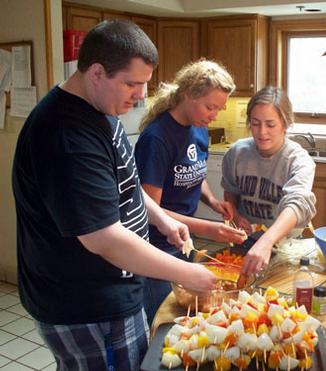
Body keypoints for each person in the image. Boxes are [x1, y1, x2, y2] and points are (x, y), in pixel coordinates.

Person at [12, 20, 216, 371]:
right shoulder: (66, 137)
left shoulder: (101, 110)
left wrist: (162, 219)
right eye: (132, 83)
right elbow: (103, 239)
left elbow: (125, 181)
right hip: (84, 303)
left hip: (113, 288)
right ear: (96, 72)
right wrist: (187, 272)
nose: (140, 95)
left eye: (144, 84)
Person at [135, 59, 247, 325]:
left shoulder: (198, 128)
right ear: (187, 95)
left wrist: (212, 201)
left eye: (219, 109)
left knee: (186, 318)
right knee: (163, 321)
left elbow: (195, 173)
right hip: (156, 249)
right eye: (210, 107)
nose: (214, 115)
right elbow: (152, 210)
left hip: (183, 243)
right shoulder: (157, 139)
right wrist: (208, 229)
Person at [221, 86, 317, 276]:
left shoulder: (298, 160)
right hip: (246, 241)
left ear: (285, 124)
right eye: (255, 123)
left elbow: (297, 204)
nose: (262, 132)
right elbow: (231, 191)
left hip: (286, 247)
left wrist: (267, 240)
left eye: (270, 125)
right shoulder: (236, 153)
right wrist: (235, 217)